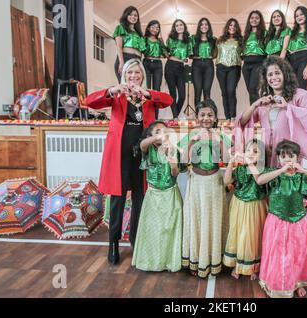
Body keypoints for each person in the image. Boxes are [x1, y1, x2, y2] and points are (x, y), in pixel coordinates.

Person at [85, 59, 173, 265]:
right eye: (130, 73)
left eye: (137, 73)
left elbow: (167, 100)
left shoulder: (147, 98)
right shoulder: (117, 96)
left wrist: (147, 93)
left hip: (141, 153)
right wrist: (111, 90)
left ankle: (137, 239)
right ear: (124, 75)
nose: (134, 76)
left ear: (142, 76)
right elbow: (90, 101)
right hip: (119, 154)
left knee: (140, 198)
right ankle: (113, 242)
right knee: (118, 198)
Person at [254, 140, 307, 298]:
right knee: (278, 254)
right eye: (283, 156)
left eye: (291, 156)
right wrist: (281, 170)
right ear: (278, 159)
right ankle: (277, 282)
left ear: (297, 158)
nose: (287, 159)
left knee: (297, 253)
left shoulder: (301, 177)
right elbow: (260, 180)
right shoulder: (274, 175)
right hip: (277, 220)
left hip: (298, 221)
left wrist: (303, 170)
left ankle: (297, 282)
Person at [235, 56, 307, 168]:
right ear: (266, 79)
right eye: (270, 75)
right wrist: (255, 104)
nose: (274, 77)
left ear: (285, 74)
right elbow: (241, 121)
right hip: (266, 156)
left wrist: (288, 107)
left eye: (277, 73)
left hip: (287, 157)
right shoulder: (265, 101)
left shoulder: (300, 95)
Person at [179, 99, 231, 278]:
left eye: (210, 115)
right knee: (197, 218)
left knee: (214, 219)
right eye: (203, 115)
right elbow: (184, 159)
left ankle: (215, 258)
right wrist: (193, 141)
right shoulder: (191, 134)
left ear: (216, 117)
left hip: (215, 181)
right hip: (196, 181)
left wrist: (218, 141)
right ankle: (195, 259)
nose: (206, 118)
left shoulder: (221, 135)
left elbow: (227, 158)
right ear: (197, 118)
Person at [132, 121, 183, 272]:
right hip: (153, 195)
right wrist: (158, 137)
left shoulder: (173, 150)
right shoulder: (148, 149)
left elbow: (175, 173)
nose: (162, 133)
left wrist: (173, 164)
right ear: (150, 136)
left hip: (170, 194)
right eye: (157, 131)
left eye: (165, 131)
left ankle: (169, 261)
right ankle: (151, 261)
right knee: (153, 229)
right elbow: (142, 144)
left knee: (169, 230)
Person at [223, 139, 267, 280]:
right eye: (248, 150)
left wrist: (249, 163)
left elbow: (258, 178)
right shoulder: (240, 169)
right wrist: (231, 162)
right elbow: (226, 181)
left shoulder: (262, 169)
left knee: (252, 236)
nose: (251, 153)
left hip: (255, 206)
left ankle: (253, 266)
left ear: (262, 156)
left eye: (255, 151)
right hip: (239, 204)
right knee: (238, 233)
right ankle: (238, 265)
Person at [280, 6, 307, 90]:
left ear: (306, 15)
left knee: (300, 88)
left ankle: (300, 103)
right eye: (296, 16)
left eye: (301, 14)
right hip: (291, 60)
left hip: (303, 59)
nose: (299, 17)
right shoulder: (292, 32)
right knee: (290, 88)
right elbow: (284, 48)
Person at [165, 19, 193, 119]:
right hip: (170, 67)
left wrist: (185, 59)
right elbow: (167, 54)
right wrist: (178, 59)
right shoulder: (170, 39)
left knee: (182, 96)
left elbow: (190, 55)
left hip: (181, 68)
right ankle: (175, 117)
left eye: (181, 25)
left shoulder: (188, 40)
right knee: (173, 94)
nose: (179, 27)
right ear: (174, 28)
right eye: (176, 25)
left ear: (184, 26)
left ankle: (175, 115)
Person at [216, 18, 243, 120]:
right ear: (227, 27)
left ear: (237, 28)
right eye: (230, 25)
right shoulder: (220, 40)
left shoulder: (240, 40)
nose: (232, 27)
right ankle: (227, 117)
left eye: (234, 26)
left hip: (234, 68)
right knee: (224, 93)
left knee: (231, 91)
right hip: (221, 68)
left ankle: (233, 116)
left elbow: (244, 53)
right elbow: (214, 53)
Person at [143, 20, 168, 119]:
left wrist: (163, 41)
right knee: (146, 90)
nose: (155, 29)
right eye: (153, 27)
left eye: (157, 28)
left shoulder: (159, 41)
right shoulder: (144, 39)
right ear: (149, 28)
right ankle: (146, 115)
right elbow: (141, 51)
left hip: (158, 64)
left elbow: (166, 54)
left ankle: (155, 117)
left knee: (156, 91)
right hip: (146, 63)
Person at [113, 6, 146, 81]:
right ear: (126, 16)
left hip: (137, 60)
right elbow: (119, 46)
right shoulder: (120, 27)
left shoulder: (139, 33)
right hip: (125, 58)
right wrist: (121, 62)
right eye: (130, 15)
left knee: (137, 88)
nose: (133, 17)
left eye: (135, 15)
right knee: (125, 86)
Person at [190, 18, 217, 107]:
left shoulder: (213, 39)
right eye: (202, 24)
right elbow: (188, 51)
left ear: (209, 26)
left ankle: (207, 115)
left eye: (206, 24)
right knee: (197, 91)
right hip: (196, 65)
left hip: (209, 65)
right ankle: (198, 116)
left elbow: (215, 54)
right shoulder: (193, 38)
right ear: (199, 26)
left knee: (207, 91)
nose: (204, 26)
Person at [242, 10, 267, 105]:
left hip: (259, 62)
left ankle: (256, 112)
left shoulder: (265, 33)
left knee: (253, 88)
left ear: (260, 20)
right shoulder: (246, 35)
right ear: (249, 20)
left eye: (257, 18)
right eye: (252, 18)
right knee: (250, 90)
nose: (254, 20)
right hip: (246, 64)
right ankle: (255, 111)